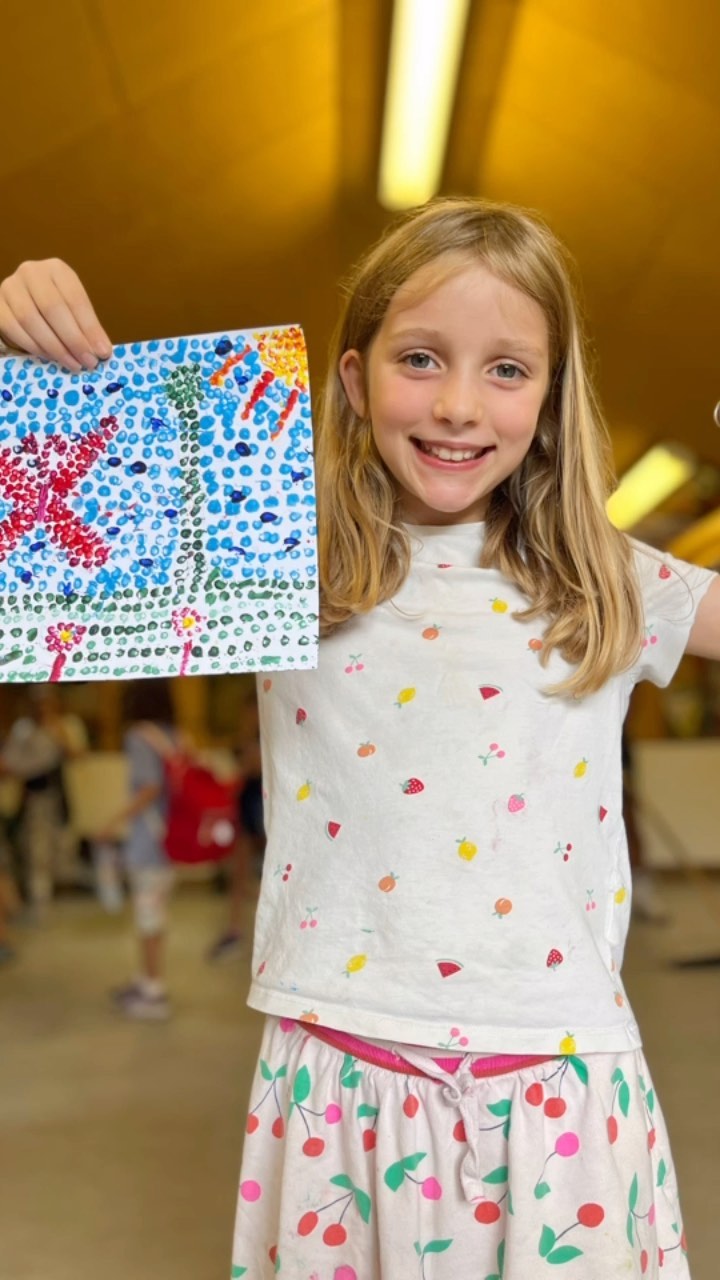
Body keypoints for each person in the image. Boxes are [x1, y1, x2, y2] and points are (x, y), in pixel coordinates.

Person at [1, 199, 718, 1278]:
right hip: (340, 1074)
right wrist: (22, 355)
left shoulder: (611, 580)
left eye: (508, 369)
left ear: (555, 396)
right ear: (351, 378)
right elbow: (40, 529)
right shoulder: (273, 553)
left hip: (560, 1085)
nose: (460, 403)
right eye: (421, 358)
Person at [94, 678, 179, 1021]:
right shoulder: (175, 736)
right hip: (174, 840)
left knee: (147, 916)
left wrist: (112, 822)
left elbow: (149, 787)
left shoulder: (138, 737)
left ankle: (153, 989)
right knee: (155, 913)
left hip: (149, 842)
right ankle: (146, 978)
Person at [0, 687, 86, 917]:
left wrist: (56, 731)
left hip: (60, 796)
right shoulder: (24, 730)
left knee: (61, 850)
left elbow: (77, 754)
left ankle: (54, 895)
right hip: (32, 798)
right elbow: (11, 763)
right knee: (36, 851)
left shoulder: (65, 726)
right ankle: (39, 901)